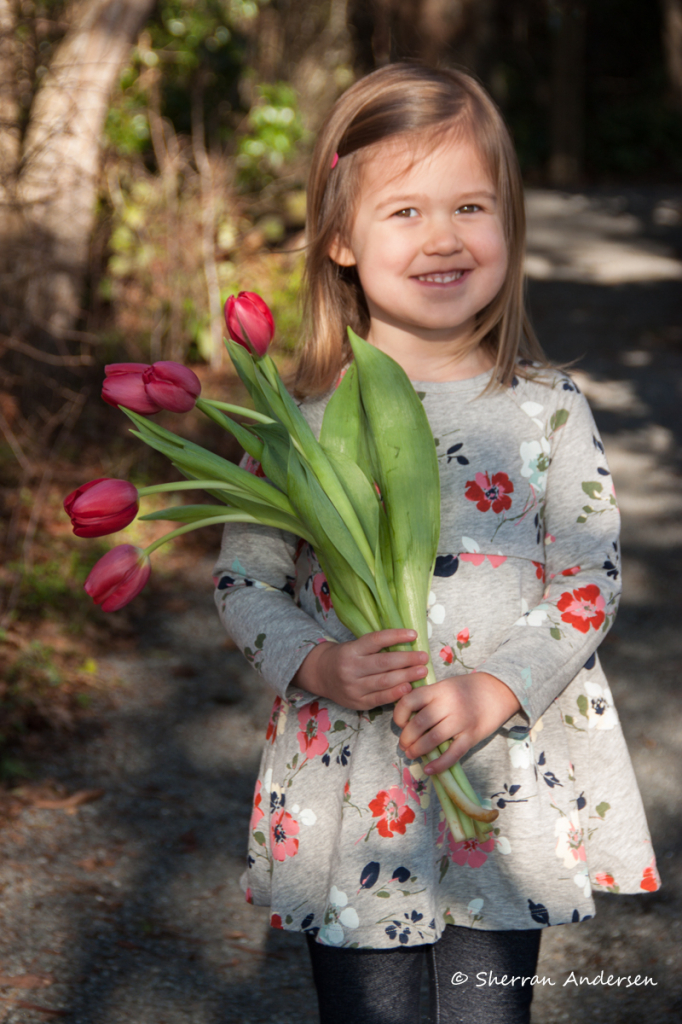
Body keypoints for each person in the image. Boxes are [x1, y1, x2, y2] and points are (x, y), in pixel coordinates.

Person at [213, 64, 659, 1024]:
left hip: (499, 780)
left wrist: (499, 686)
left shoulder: (548, 408)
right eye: (405, 212)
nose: (445, 237)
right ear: (339, 238)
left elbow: (591, 576)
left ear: (510, 224)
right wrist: (316, 661)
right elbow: (245, 579)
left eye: (471, 206)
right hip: (356, 777)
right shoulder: (296, 422)